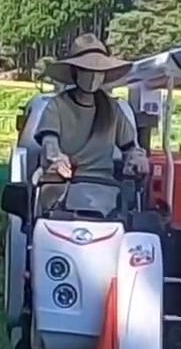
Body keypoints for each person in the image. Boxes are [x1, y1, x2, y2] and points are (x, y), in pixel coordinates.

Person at [31, 33, 148, 215]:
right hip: (61, 185)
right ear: (75, 72)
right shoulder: (57, 106)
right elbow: (49, 142)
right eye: (87, 70)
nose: (93, 76)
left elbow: (130, 147)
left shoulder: (113, 108)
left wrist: (136, 159)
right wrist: (57, 158)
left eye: (98, 71)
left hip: (104, 188)